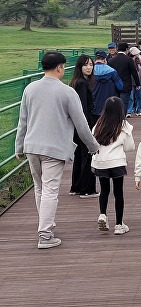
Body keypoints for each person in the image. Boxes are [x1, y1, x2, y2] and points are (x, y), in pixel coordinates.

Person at [15, 52, 100, 249]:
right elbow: (82, 124)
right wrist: (93, 146)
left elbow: (23, 121)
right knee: (51, 190)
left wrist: (19, 147)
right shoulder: (67, 92)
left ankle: (46, 225)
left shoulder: (30, 89)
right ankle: (45, 235)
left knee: (40, 188)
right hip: (54, 149)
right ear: (60, 67)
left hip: (31, 146)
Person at [91, 96, 134, 235]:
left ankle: (103, 214)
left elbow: (93, 142)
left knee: (104, 190)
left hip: (101, 163)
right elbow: (129, 147)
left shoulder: (98, 125)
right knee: (118, 192)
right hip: (117, 163)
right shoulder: (124, 126)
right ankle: (119, 224)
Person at [69, 55, 99, 198]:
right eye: (86, 65)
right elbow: (82, 108)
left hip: (76, 125)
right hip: (83, 124)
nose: (89, 68)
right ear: (79, 67)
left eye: (91, 65)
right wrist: (87, 128)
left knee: (79, 156)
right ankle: (87, 189)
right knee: (87, 155)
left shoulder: (76, 82)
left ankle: (76, 186)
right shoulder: (81, 83)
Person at [108, 42, 140, 116]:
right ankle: (122, 120)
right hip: (126, 85)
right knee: (124, 103)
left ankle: (115, 119)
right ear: (126, 49)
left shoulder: (111, 60)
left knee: (115, 103)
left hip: (114, 85)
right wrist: (137, 84)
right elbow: (134, 72)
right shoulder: (128, 60)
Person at [92, 51, 123, 118]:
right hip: (109, 102)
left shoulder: (90, 71)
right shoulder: (112, 71)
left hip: (94, 103)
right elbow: (120, 86)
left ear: (95, 60)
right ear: (105, 60)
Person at [127, 46, 141, 118]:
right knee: (131, 96)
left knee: (139, 96)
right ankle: (129, 110)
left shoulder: (140, 59)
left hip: (139, 79)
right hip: (130, 80)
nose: (138, 54)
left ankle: (138, 110)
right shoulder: (129, 60)